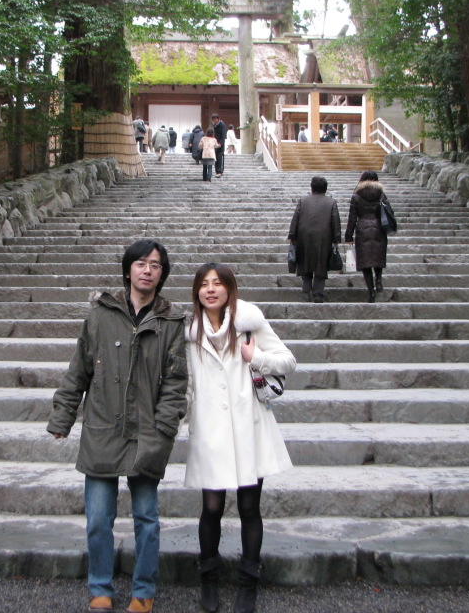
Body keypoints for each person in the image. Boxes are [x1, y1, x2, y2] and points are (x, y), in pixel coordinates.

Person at [48, 239, 188, 613]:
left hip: (147, 432)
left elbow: (176, 382)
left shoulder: (172, 322)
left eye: (155, 265)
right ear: (128, 270)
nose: (147, 270)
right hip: (102, 427)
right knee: (98, 518)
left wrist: (164, 427)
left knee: (147, 518)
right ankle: (100, 587)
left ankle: (144, 591)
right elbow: (79, 368)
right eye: (141, 263)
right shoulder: (100, 314)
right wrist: (63, 416)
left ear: (162, 274)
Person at [185, 262, 296, 613]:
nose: (211, 289)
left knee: (249, 507)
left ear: (230, 289)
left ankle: (249, 583)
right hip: (210, 432)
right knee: (211, 508)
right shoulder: (190, 333)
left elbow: (288, 361)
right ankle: (209, 580)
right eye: (204, 284)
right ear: (197, 292)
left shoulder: (250, 323)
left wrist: (256, 357)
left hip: (250, 428)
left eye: (218, 283)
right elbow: (187, 384)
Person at [287, 176, 341, 303]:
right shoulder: (331, 202)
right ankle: (318, 293)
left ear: (312, 187)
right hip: (324, 236)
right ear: (325, 188)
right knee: (321, 263)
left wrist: (292, 235)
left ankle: (306, 288)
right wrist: (336, 237)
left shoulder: (303, 200)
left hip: (304, 235)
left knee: (304, 260)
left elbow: (296, 218)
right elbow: (335, 221)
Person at [345, 170, 390, 303]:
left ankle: (371, 292)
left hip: (362, 228)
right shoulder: (381, 194)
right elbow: (388, 211)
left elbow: (352, 218)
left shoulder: (356, 195)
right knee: (378, 256)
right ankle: (379, 280)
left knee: (365, 262)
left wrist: (348, 236)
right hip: (379, 228)